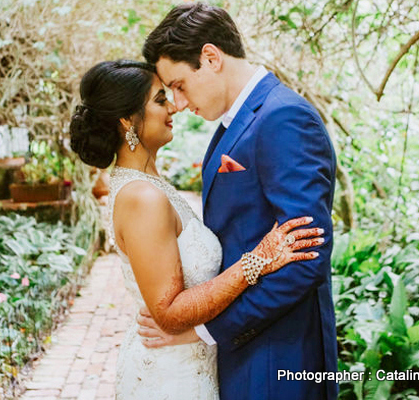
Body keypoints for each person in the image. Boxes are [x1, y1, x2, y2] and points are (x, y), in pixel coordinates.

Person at [69, 59, 325, 399]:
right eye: (160, 100)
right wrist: (257, 260)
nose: (174, 106)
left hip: (193, 364)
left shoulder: (151, 184)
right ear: (127, 121)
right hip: (169, 375)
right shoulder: (142, 197)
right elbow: (170, 313)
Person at [139, 2, 339, 400]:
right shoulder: (233, 122)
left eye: (179, 85)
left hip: (279, 353)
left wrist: (205, 330)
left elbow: (308, 257)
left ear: (210, 58)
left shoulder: (283, 118)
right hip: (248, 350)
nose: (177, 103)